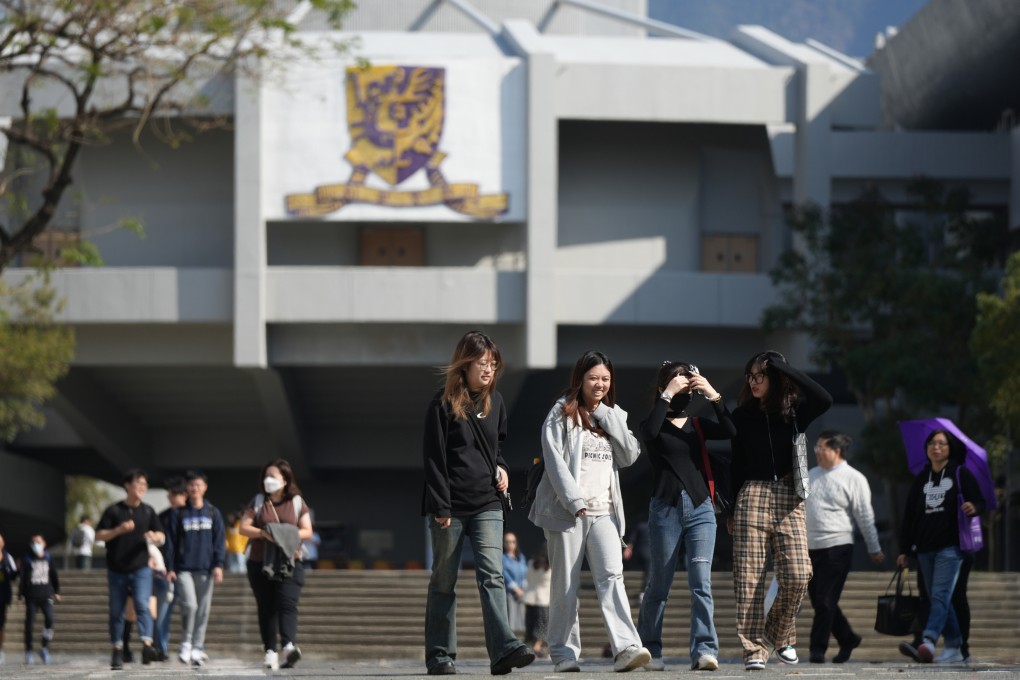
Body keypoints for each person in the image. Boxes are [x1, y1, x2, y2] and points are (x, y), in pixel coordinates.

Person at [528, 350, 651, 673]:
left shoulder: (613, 415)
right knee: (565, 584)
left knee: (612, 576)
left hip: (605, 512)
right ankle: (564, 653)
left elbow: (630, 456)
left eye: (605, 379)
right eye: (594, 378)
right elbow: (553, 461)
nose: (599, 384)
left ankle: (626, 647)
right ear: (580, 379)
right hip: (567, 512)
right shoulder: (561, 413)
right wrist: (574, 501)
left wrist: (610, 418)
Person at [422, 330, 535, 676]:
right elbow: (434, 460)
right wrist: (441, 506)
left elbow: (495, 449)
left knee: (493, 575)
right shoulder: (441, 404)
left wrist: (501, 468)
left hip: (488, 501)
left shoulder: (496, 401)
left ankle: (503, 650)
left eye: (493, 364)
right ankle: (440, 654)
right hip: (450, 506)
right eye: (482, 363)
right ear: (465, 363)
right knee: (444, 580)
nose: (488, 369)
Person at [729, 350, 833, 670]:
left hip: (790, 494)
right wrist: (730, 510)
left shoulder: (795, 411)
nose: (754, 381)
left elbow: (824, 398)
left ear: (776, 378)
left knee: (800, 574)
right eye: (750, 376)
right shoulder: (742, 414)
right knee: (749, 580)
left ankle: (778, 633)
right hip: (753, 494)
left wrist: (786, 367)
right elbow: (735, 464)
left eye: (760, 375)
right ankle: (753, 650)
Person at [636, 361, 734, 672]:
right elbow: (649, 433)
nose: (683, 386)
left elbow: (733, 432)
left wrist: (712, 394)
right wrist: (667, 394)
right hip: (664, 508)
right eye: (677, 380)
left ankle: (704, 649)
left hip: (701, 508)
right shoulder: (653, 421)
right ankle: (651, 648)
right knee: (659, 584)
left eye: (686, 381)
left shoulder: (698, 424)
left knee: (700, 582)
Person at [896, 429, 985, 663]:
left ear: (950, 448)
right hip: (924, 548)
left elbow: (980, 501)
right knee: (939, 597)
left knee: (940, 594)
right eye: (932, 444)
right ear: (926, 449)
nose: (936, 447)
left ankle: (928, 640)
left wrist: (972, 507)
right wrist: (904, 550)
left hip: (951, 547)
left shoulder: (960, 473)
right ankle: (954, 646)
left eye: (941, 444)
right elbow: (910, 518)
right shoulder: (921, 479)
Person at [805, 431, 884, 664]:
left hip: (838, 546)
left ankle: (817, 649)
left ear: (837, 451)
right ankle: (848, 638)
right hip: (810, 548)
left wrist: (874, 547)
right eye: (816, 448)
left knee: (825, 599)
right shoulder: (810, 475)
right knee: (819, 600)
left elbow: (865, 515)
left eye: (822, 448)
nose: (817, 452)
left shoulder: (854, 478)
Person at [239, 459, 313, 670]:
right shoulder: (258, 501)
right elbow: (244, 527)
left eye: (273, 476)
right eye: (266, 476)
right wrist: (265, 533)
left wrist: (284, 535)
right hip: (260, 562)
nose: (268, 480)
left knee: (288, 604)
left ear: (285, 479)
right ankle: (270, 651)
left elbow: (307, 531)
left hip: (291, 561)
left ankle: (288, 646)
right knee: (267, 607)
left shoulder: (297, 502)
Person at [96, 468, 165, 670]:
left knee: (142, 605)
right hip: (117, 569)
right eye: (138, 484)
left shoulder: (148, 511)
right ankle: (117, 649)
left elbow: (161, 534)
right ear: (127, 486)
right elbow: (98, 535)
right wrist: (118, 530)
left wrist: (155, 537)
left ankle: (146, 644)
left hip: (141, 568)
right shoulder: (114, 511)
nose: (142, 488)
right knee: (116, 611)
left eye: (145, 485)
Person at [165, 470, 226, 666]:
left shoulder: (213, 512)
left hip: (206, 569)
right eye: (191, 485)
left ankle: (198, 647)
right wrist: (170, 567)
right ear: (187, 489)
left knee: (203, 610)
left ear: (205, 488)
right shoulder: (179, 513)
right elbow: (171, 543)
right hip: (183, 569)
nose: (194, 488)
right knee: (190, 605)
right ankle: (186, 643)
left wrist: (218, 565)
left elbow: (219, 541)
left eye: (198, 485)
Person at [153, 477, 187, 662]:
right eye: (169, 494)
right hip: (166, 572)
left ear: (183, 495)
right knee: (163, 613)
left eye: (173, 494)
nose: (169, 497)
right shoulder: (163, 516)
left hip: (187, 569)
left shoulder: (190, 514)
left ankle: (191, 647)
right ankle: (161, 648)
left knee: (189, 610)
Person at [20, 535, 61, 665]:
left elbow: (54, 575)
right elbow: (23, 577)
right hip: (31, 596)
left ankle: (44, 647)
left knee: (50, 620)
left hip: (46, 595)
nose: (36, 544)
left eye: (38, 541)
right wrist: (20, 595)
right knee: (30, 624)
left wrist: (57, 591)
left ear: (44, 543)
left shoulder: (48, 557)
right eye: (33, 542)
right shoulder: (27, 558)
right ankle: (29, 651)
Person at [523, 542, 551, 658]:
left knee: (531, 624)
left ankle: (531, 646)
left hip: (530, 597)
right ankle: (537, 647)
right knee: (542, 625)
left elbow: (528, 578)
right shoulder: (550, 566)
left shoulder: (531, 563)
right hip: (544, 599)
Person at [502, 532, 528, 634]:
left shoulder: (521, 557)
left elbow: (526, 572)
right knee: (512, 616)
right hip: (510, 592)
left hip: (522, 591)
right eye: (507, 542)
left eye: (512, 542)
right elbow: (504, 574)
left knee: (522, 616)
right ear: (504, 544)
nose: (510, 545)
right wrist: (515, 588)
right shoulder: (503, 558)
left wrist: (523, 588)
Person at [0, 533, 17, 666]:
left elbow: (13, 575)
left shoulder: (7, 557)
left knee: (1, 626)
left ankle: (1, 652)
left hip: (2, 597)